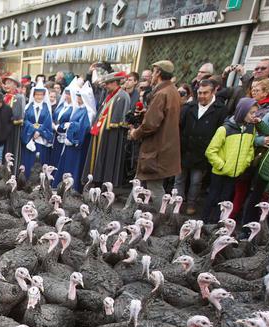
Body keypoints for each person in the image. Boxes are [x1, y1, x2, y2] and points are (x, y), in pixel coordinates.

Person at [129, 61, 181, 201]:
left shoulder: (162, 94)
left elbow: (150, 124)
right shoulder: (172, 91)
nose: (151, 75)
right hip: (162, 148)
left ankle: (166, 219)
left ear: (158, 73)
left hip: (156, 150)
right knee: (139, 183)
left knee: (154, 188)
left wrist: (135, 133)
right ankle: (128, 211)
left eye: (153, 71)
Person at [176, 79, 228, 214]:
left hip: (202, 152)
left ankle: (191, 204)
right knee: (179, 179)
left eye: (205, 93)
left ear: (213, 92)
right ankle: (177, 204)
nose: (202, 96)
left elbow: (220, 132)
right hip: (185, 149)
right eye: (200, 92)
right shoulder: (190, 107)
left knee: (196, 181)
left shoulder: (220, 109)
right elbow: (180, 127)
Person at [202, 97, 258, 221]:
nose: (254, 116)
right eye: (251, 112)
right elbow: (210, 151)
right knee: (213, 197)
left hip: (235, 172)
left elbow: (250, 149)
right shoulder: (225, 129)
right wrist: (222, 165)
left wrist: (245, 163)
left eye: (255, 113)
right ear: (242, 112)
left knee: (225, 200)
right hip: (220, 172)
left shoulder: (251, 129)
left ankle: (216, 223)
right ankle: (204, 221)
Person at [88, 71, 130, 186]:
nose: (106, 86)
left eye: (108, 83)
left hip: (112, 134)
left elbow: (118, 119)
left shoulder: (122, 96)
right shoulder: (110, 95)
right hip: (103, 133)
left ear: (115, 83)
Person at [57, 84, 94, 191]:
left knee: (75, 164)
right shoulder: (79, 109)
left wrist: (71, 126)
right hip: (71, 140)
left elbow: (85, 126)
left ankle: (74, 186)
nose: (77, 98)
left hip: (77, 143)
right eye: (77, 96)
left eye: (80, 97)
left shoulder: (87, 111)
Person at [20, 79, 54, 179]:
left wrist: (39, 131)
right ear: (33, 95)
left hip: (41, 139)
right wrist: (32, 129)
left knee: (39, 160)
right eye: (37, 94)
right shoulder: (28, 107)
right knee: (29, 160)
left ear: (44, 95)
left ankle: (38, 181)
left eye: (41, 95)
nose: (39, 97)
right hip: (30, 137)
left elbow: (48, 122)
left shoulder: (46, 108)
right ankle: (26, 179)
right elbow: (25, 121)